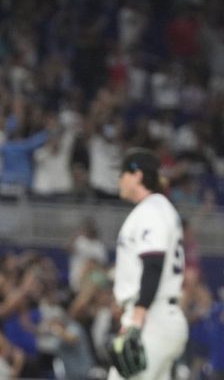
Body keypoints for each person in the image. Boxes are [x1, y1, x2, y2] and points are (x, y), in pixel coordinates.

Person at [108, 148, 188, 379]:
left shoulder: (151, 210)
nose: (119, 180)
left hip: (153, 318)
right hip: (160, 316)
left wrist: (138, 316)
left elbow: (153, 263)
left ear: (137, 175)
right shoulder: (158, 208)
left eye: (123, 174)